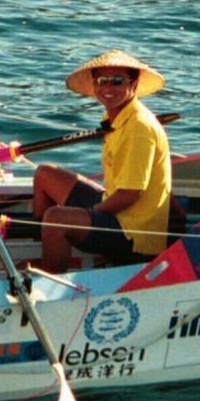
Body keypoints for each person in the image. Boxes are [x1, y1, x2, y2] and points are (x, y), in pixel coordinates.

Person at [35, 49, 171, 273]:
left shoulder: (139, 127)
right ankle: (45, 249)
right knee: (44, 174)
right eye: (102, 80)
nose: (108, 88)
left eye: (117, 81)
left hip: (133, 233)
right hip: (116, 207)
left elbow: (129, 195)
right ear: (94, 84)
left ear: (133, 84)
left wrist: (91, 211)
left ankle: (48, 280)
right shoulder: (116, 118)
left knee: (56, 219)